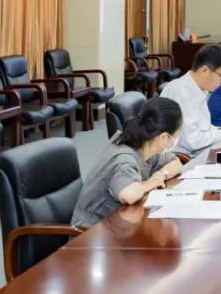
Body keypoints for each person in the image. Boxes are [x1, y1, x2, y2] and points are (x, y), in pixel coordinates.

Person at [72, 97, 184, 228]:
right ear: (164, 137)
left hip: (118, 223)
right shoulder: (124, 158)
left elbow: (176, 162)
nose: (176, 139)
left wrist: (161, 174)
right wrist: (150, 183)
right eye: (176, 135)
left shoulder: (146, 145)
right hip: (91, 231)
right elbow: (129, 195)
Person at [160, 44, 221, 154]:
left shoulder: (198, 89)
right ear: (204, 70)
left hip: (197, 152)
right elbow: (192, 141)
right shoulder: (180, 93)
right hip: (182, 158)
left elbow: (203, 129)